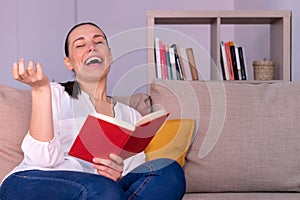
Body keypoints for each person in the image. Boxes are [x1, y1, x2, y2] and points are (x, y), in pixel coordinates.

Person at [0, 22, 186, 200]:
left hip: (103, 192)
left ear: (110, 56)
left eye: (98, 42)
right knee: (105, 189)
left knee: (170, 172)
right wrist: (40, 91)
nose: (91, 47)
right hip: (32, 182)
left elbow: (135, 177)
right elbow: (42, 161)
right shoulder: (55, 93)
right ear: (69, 63)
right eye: (81, 45)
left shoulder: (131, 116)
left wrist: (117, 173)